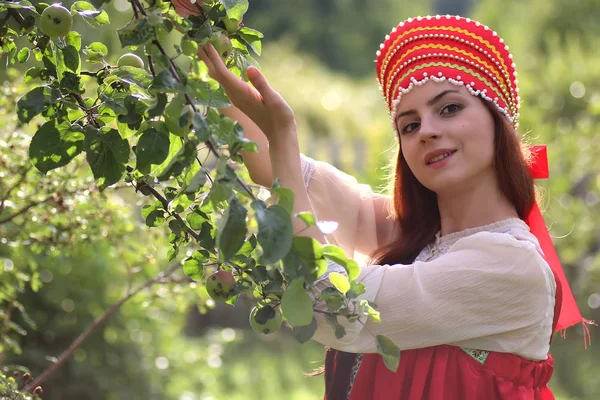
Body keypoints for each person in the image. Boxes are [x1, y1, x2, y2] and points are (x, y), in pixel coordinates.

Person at [197, 14, 592, 400]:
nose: (428, 131)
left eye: (450, 108)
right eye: (410, 125)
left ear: (497, 120)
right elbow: (275, 166)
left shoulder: (512, 265)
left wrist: (284, 133)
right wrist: (203, 30)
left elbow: (335, 306)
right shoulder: (416, 238)